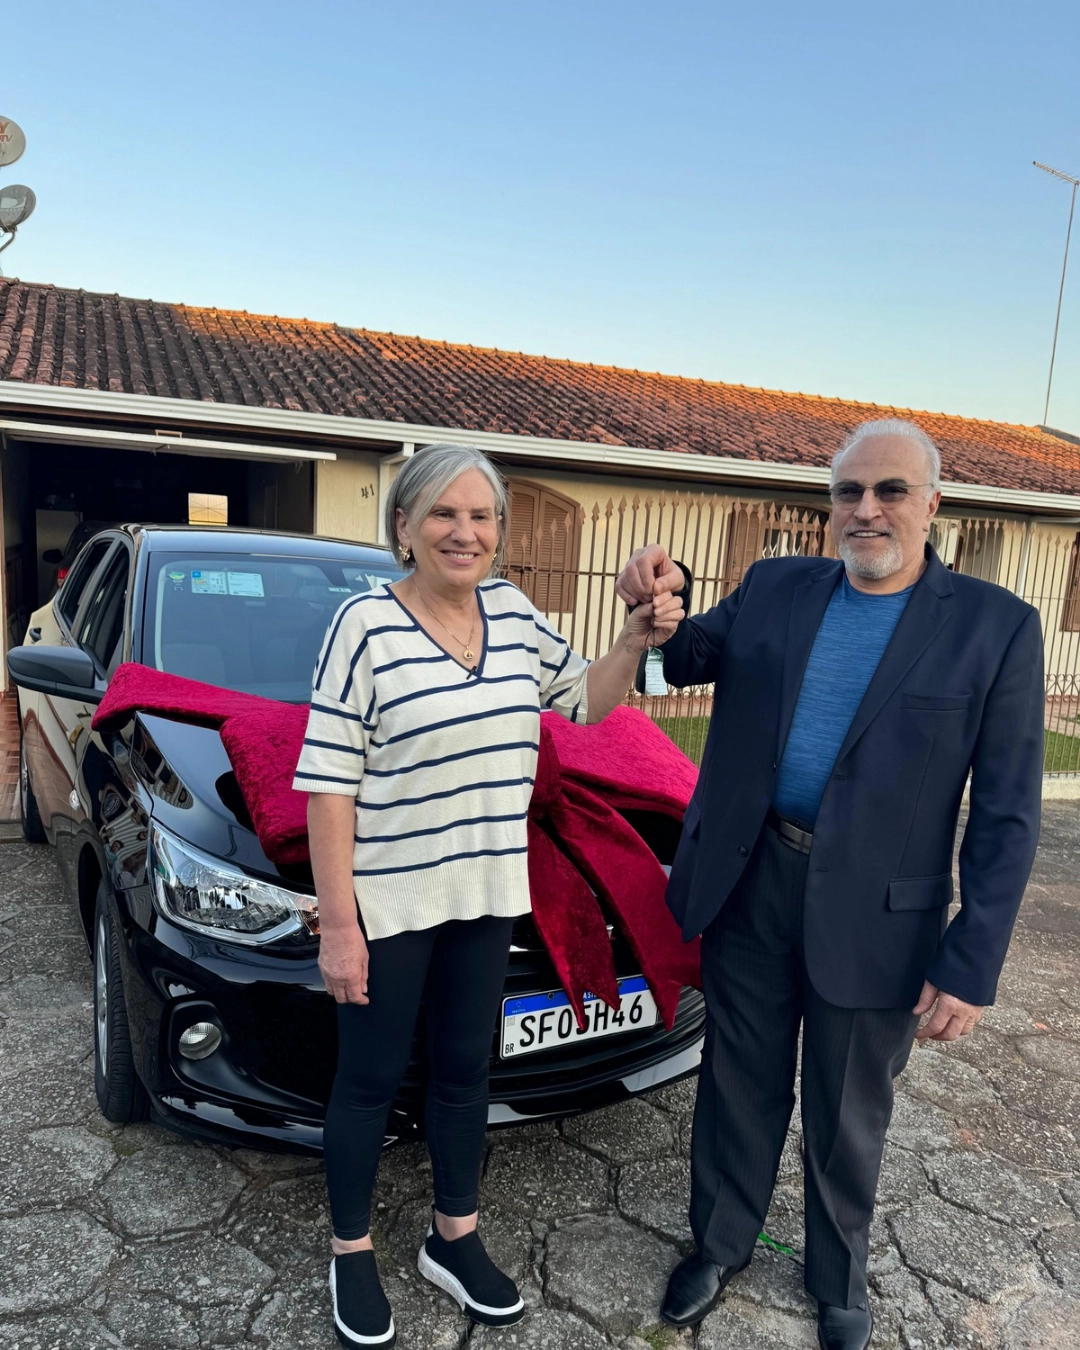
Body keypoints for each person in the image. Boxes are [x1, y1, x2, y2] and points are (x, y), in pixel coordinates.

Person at [615, 419, 1044, 1350]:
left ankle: (837, 1276)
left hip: (881, 917)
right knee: (739, 1084)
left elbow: (1010, 811)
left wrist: (971, 960)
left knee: (850, 1109)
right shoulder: (776, 587)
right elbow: (674, 662)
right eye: (849, 491)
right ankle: (720, 1245)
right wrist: (653, 601)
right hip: (752, 879)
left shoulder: (994, 626)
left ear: (933, 504)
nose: (867, 509)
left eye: (890, 490)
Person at [293, 442, 684, 1348]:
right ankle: (352, 1250)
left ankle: (453, 1239)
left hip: (486, 892)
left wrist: (631, 639)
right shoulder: (363, 627)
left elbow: (582, 705)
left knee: (469, 1074)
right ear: (404, 527)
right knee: (369, 1080)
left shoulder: (511, 614)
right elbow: (328, 785)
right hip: (388, 904)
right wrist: (340, 927)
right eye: (442, 513)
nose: (464, 532)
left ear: (499, 532)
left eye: (482, 516)